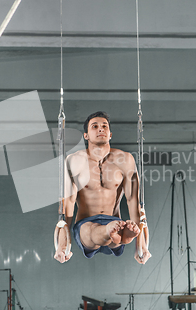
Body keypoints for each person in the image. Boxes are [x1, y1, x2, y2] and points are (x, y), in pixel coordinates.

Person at [54, 111, 151, 264]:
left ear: (110, 134)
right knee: (92, 231)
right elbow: (67, 205)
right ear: (86, 135)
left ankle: (119, 234)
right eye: (95, 126)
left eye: (104, 126)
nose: (101, 129)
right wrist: (62, 244)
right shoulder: (74, 161)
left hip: (114, 220)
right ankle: (112, 232)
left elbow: (134, 202)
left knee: (116, 234)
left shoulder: (125, 160)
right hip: (85, 224)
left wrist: (142, 245)